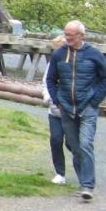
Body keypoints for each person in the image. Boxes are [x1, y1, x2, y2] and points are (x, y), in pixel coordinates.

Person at [44, 20, 106, 201]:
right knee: (75, 147)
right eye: (66, 34)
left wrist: (94, 101)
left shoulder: (94, 54)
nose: (67, 38)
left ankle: (87, 185)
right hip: (66, 108)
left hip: (87, 108)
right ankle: (84, 181)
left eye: (71, 35)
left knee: (85, 144)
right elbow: (51, 80)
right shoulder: (59, 54)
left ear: (81, 36)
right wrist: (57, 100)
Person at [40, 36, 71, 185]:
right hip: (54, 111)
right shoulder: (52, 63)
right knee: (56, 140)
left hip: (71, 112)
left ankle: (82, 166)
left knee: (72, 143)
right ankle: (60, 173)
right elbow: (46, 82)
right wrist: (48, 97)